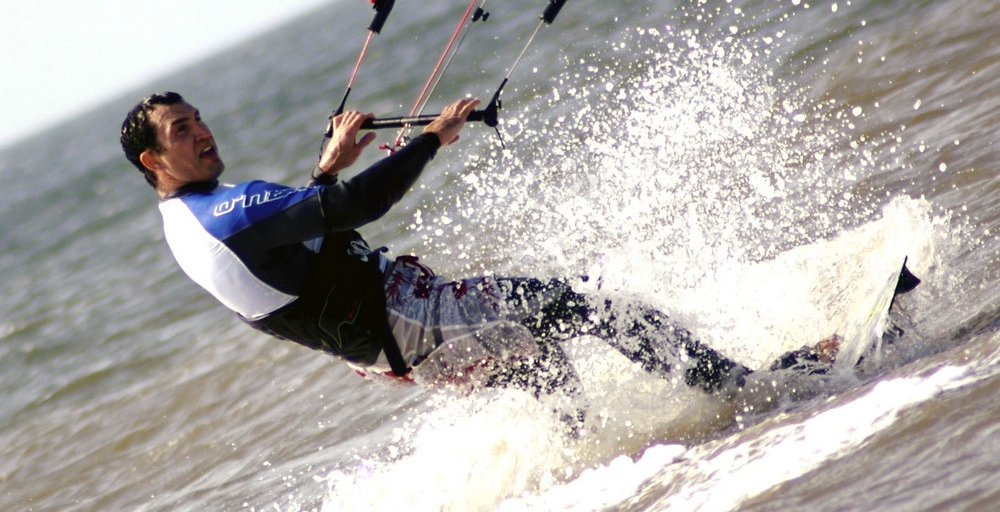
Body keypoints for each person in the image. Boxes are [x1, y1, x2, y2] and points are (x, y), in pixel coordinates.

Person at [120, 91, 760, 409]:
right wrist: (432, 137)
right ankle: (753, 390)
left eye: (197, 117)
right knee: (586, 307)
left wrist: (325, 174)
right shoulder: (220, 215)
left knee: (547, 363)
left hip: (399, 353)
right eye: (182, 130)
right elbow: (357, 211)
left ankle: (603, 496)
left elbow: (301, 266)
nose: (201, 131)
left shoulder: (190, 224)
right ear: (154, 159)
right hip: (418, 326)